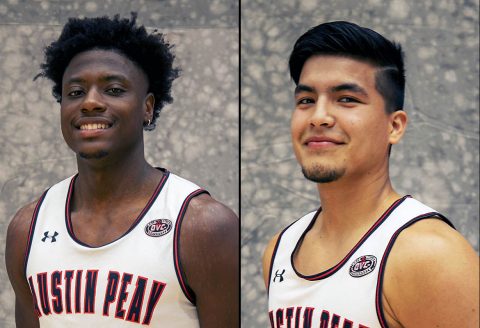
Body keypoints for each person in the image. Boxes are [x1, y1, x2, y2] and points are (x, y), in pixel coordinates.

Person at [5, 13, 238, 327]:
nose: (90, 103)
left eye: (113, 90)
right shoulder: (27, 228)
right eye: (75, 93)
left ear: (147, 107)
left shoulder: (202, 226)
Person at [262, 21, 479, 328]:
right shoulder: (279, 251)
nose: (319, 117)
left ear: (395, 126)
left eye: (346, 99)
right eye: (306, 100)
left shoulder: (431, 255)